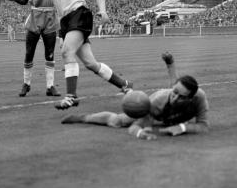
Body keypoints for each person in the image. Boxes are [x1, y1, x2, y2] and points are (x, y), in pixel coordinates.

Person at [31, 0, 132, 109]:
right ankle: (125, 84)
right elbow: (36, 2)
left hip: (80, 15)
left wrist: (103, 11)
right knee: (91, 64)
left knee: (66, 51)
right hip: (65, 22)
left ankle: (71, 96)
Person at [61, 52, 209, 139]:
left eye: (181, 97)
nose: (175, 98)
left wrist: (182, 128)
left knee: (174, 99)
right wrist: (140, 133)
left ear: (191, 97)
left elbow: (203, 126)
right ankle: (84, 118)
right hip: (157, 110)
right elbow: (135, 127)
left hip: (171, 115)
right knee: (118, 121)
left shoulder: (199, 98)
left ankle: (130, 90)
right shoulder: (156, 103)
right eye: (175, 93)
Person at [8, 0, 61, 97]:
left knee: (49, 54)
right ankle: (26, 84)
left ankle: (50, 86)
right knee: (29, 52)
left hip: (50, 17)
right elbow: (25, 0)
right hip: (35, 16)